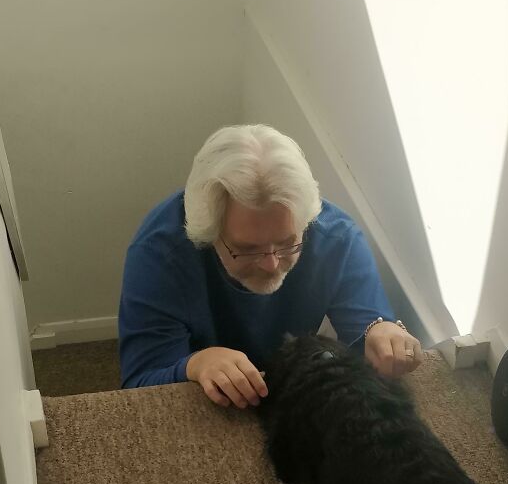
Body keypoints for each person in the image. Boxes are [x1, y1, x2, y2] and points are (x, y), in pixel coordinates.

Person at [118, 124, 424, 408]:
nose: (271, 264)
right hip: (207, 401)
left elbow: (370, 334)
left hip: (292, 390)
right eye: (246, 249)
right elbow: (140, 387)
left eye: (288, 242)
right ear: (208, 235)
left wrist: (383, 334)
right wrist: (196, 364)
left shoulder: (337, 237)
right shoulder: (158, 254)